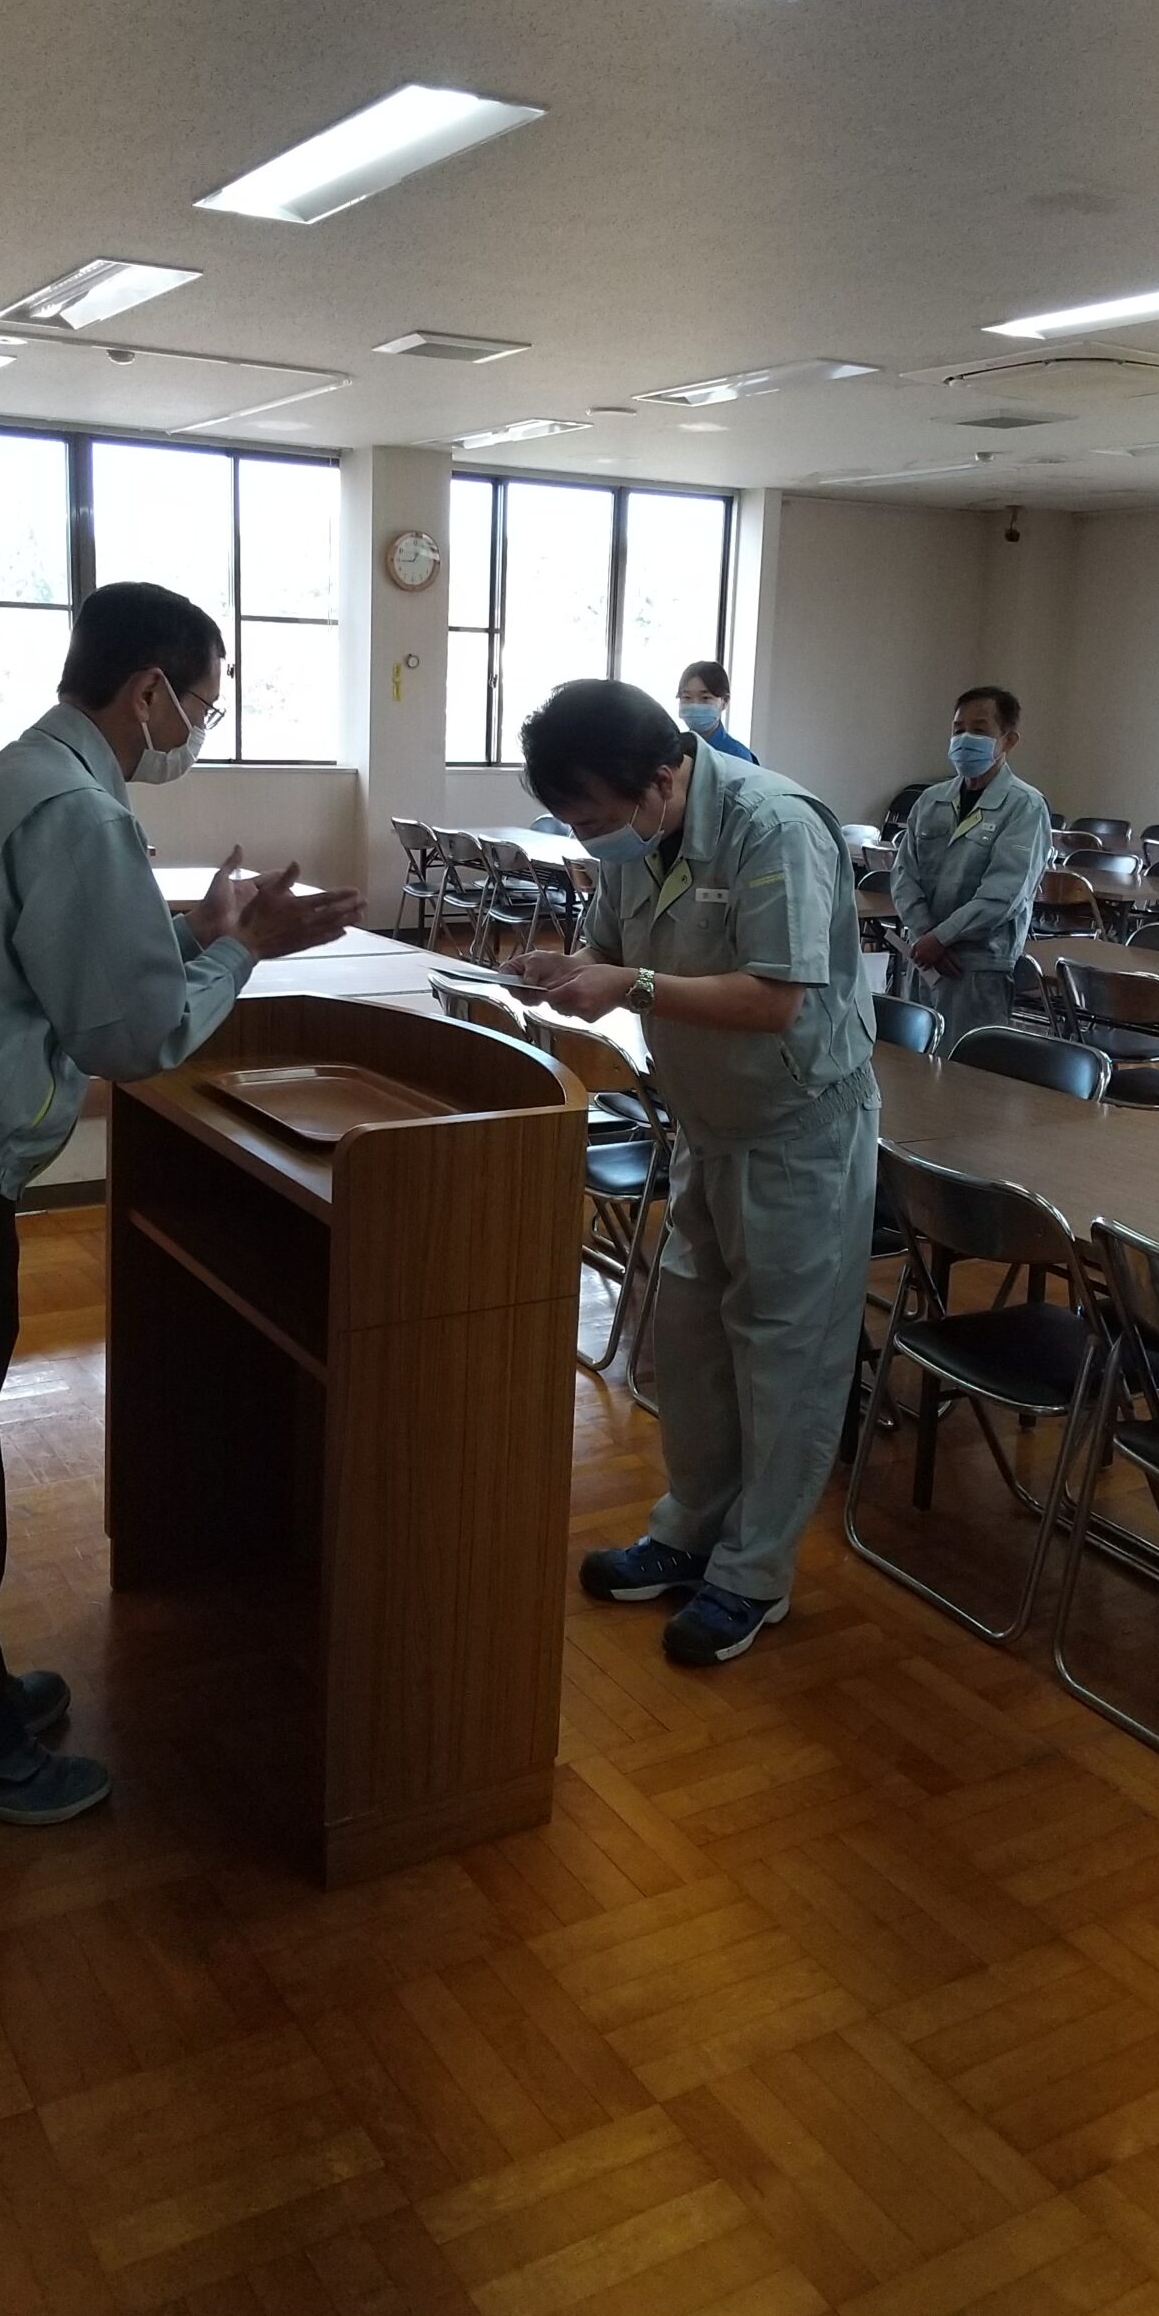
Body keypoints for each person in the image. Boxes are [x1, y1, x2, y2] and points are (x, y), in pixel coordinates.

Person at [0, 582, 362, 1827]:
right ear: (149, 689)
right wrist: (244, 948)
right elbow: (131, 1033)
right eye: (203, 703)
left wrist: (195, 930)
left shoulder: (18, 777)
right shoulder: (78, 811)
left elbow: (57, 963)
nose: (199, 729)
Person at [510, 680, 877, 1665]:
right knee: (691, 1339)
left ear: (662, 780)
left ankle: (754, 1574)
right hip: (705, 1121)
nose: (588, 838)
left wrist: (630, 984)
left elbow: (775, 1000)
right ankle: (688, 1533)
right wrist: (561, 969)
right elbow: (607, 946)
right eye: (572, 822)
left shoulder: (774, 826)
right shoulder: (635, 840)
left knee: (784, 1355)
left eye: (596, 817)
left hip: (798, 1126)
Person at [890, 688, 1051, 1053]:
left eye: (979, 730)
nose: (965, 739)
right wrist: (926, 933)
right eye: (958, 729)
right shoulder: (931, 800)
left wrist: (942, 938)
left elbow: (1005, 894)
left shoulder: (1025, 806)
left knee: (966, 1070)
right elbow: (903, 875)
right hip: (924, 958)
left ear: (1008, 740)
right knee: (911, 1063)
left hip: (979, 965)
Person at [677, 661, 757, 764]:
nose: (694, 705)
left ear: (725, 701)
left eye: (705, 698)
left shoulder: (737, 756)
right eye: (687, 697)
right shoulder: (673, 749)